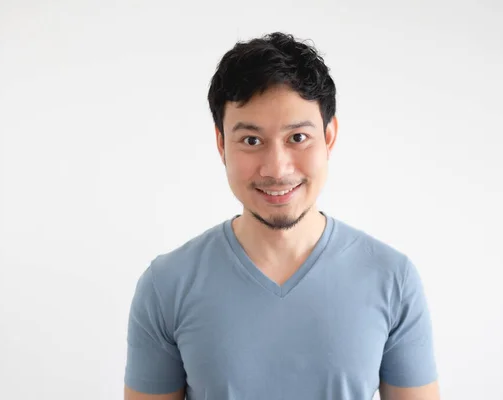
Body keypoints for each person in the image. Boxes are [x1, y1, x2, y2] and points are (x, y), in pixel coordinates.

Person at [123, 32, 440, 400]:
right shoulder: (166, 286)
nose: (276, 168)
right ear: (221, 144)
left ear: (329, 136)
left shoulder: (392, 279)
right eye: (252, 141)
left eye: (298, 137)